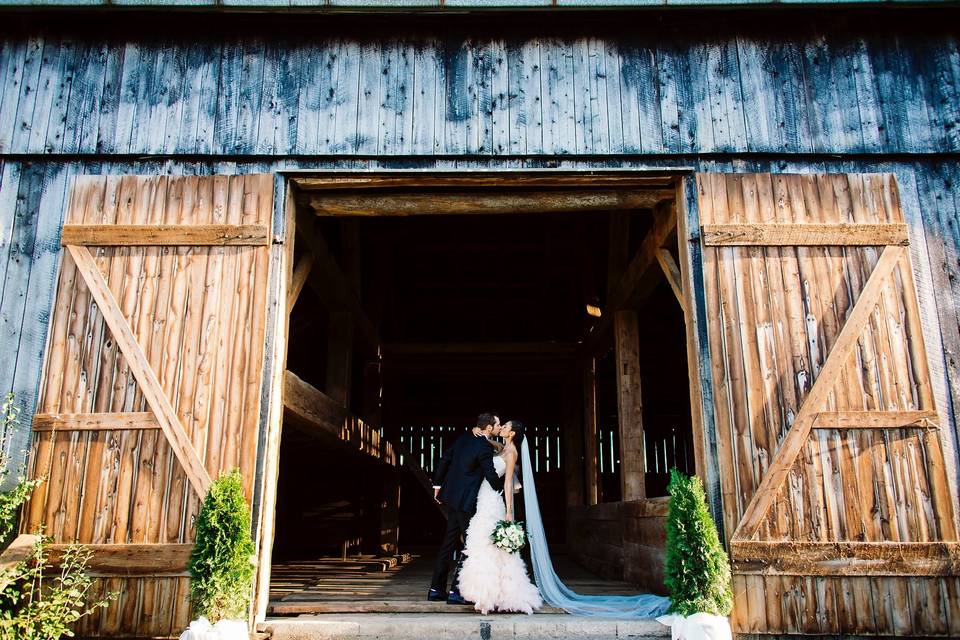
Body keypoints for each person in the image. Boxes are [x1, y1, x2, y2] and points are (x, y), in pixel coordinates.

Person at [457, 420, 542, 614]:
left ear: (512, 433)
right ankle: (484, 593)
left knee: (493, 547)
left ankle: (499, 595)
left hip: (493, 500)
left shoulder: (511, 453)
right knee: (481, 544)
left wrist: (509, 511)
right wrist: (475, 429)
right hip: (482, 496)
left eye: (505, 426)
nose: (501, 428)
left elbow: (508, 484)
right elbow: (487, 441)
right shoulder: (503, 447)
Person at [428, 412, 504, 604]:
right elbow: (490, 474)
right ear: (489, 428)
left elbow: (445, 458)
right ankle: (456, 591)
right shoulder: (484, 446)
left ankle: (435, 589)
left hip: (451, 497)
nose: (498, 428)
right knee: (471, 545)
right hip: (466, 501)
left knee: (448, 543)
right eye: (497, 425)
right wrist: (501, 489)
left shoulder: (463, 438)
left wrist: (437, 485)